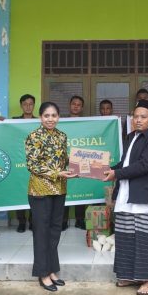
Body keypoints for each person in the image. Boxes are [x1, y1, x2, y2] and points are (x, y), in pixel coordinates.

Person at [104, 99, 148, 295]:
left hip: (143, 195)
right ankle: (129, 276)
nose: (138, 120)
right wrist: (106, 169)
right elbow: (125, 163)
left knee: (145, 239)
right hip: (125, 195)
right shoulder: (130, 137)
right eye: (136, 116)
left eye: (143, 117)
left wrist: (116, 174)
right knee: (125, 238)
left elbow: (145, 165)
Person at [25, 102, 78, 292]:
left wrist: (78, 167)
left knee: (55, 231)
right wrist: (57, 173)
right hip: (40, 190)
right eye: (46, 115)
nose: (50, 119)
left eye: (54, 115)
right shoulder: (34, 136)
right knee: (42, 232)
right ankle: (43, 273)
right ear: (40, 117)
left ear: (58, 117)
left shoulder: (62, 136)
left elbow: (64, 161)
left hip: (59, 189)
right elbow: (33, 165)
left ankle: (52, 269)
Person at [13, 94, 36, 233]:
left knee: (36, 192)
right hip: (18, 161)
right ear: (21, 105)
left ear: (34, 105)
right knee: (19, 191)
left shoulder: (40, 121)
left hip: (35, 162)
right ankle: (21, 222)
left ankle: (33, 221)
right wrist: (1, 122)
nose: (28, 106)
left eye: (31, 104)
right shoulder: (13, 121)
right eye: (25, 104)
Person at [62, 95, 86, 230]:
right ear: (69, 105)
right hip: (63, 158)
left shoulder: (87, 122)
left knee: (80, 187)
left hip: (80, 158)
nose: (76, 106)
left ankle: (80, 220)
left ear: (82, 108)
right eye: (73, 104)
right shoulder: (60, 121)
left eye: (78, 105)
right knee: (64, 188)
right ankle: (63, 221)